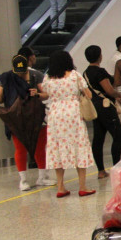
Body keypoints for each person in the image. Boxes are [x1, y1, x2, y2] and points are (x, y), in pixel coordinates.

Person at [42, 50, 96, 198]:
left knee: (57, 147)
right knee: (79, 145)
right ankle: (82, 186)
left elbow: (46, 93)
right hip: (73, 113)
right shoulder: (74, 75)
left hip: (55, 114)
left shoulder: (48, 78)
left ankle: (61, 187)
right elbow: (89, 94)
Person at [0, 54, 53, 190]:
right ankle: (23, 179)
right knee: (20, 149)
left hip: (36, 117)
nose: (20, 75)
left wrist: (37, 94)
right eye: (18, 72)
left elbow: (46, 94)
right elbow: (0, 96)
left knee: (40, 147)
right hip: (17, 118)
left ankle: (42, 177)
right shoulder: (6, 77)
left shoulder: (35, 75)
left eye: (22, 72)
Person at [83, 45, 121, 179]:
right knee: (119, 136)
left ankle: (101, 170)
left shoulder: (86, 73)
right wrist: (120, 95)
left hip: (95, 107)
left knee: (98, 138)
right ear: (100, 56)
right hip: (106, 107)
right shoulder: (100, 72)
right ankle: (116, 167)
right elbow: (109, 90)